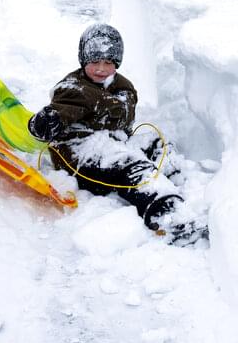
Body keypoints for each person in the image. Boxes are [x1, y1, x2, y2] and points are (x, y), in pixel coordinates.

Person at [28, 24, 205, 242]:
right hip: (81, 155)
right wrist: (47, 122)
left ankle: (175, 177)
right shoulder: (73, 89)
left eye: (108, 63)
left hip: (114, 143)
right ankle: (169, 215)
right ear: (83, 60)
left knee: (154, 141)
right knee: (130, 166)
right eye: (94, 62)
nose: (101, 69)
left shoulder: (122, 85)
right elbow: (61, 110)